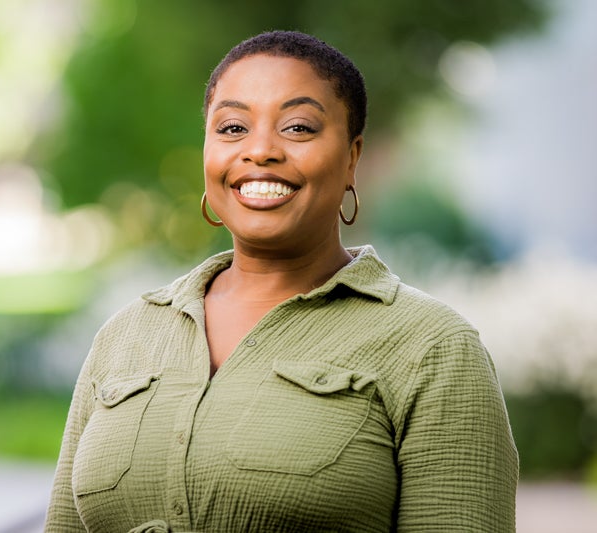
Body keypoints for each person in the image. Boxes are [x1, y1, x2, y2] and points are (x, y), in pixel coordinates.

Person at [44, 30, 518, 532]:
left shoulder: (434, 348)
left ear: (352, 157)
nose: (261, 150)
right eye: (231, 128)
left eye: (297, 127)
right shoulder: (127, 337)